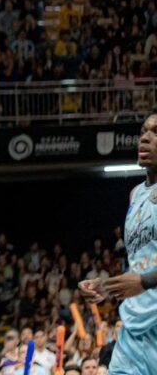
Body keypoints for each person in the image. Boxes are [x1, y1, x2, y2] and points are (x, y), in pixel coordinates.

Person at [79, 112, 157, 375]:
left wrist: (145, 281)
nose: (145, 138)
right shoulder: (135, 194)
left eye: (156, 132)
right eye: (143, 131)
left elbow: (143, 277)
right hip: (134, 331)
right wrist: (107, 286)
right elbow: (142, 262)